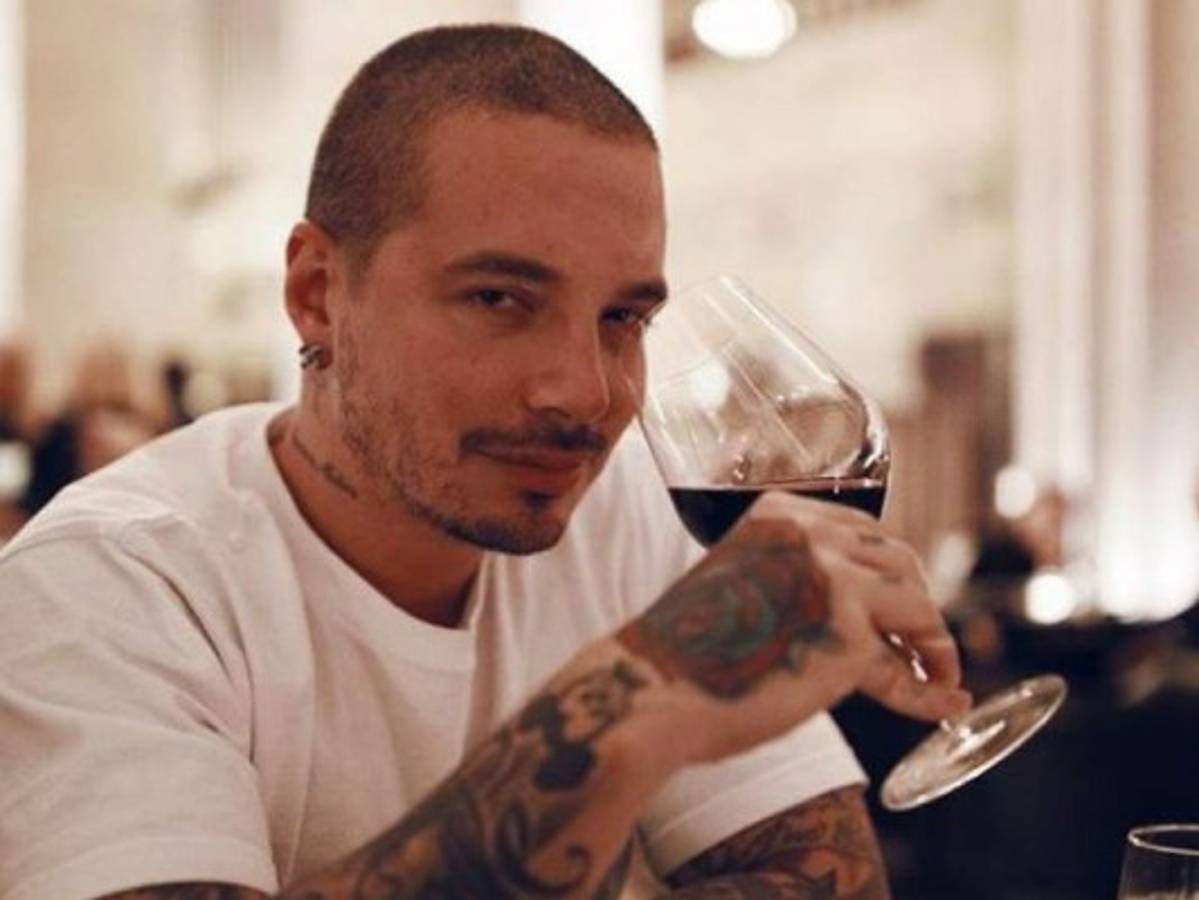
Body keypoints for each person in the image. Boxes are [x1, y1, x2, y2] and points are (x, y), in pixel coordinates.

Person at [0, 24, 969, 900]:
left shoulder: (626, 515)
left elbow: (826, 880)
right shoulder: (114, 583)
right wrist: (634, 701)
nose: (583, 392)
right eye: (500, 299)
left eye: (623, 318)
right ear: (317, 293)